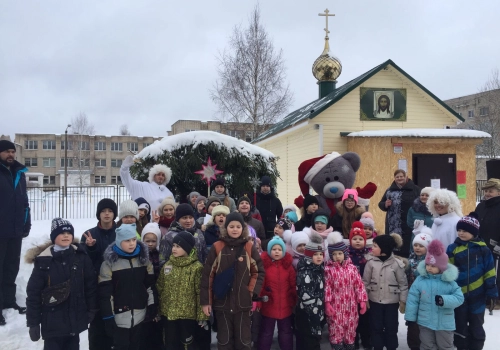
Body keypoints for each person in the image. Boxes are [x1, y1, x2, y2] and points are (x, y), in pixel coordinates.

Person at [26, 218, 97, 350]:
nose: (66, 236)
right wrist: (33, 323)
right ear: (53, 237)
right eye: (61, 233)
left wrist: (91, 309)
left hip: (74, 323)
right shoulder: (44, 261)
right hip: (52, 326)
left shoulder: (81, 257)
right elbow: (33, 294)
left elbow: (90, 285)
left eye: (69, 233)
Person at [200, 212, 265, 350]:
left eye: (238, 226)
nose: (235, 229)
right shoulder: (217, 247)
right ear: (225, 228)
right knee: (224, 341)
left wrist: (251, 290)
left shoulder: (248, 247)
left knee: (243, 341)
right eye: (231, 226)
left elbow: (258, 271)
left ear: (243, 228)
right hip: (222, 303)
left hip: (243, 304)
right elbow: (208, 275)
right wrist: (206, 301)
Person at [99, 224, 157, 350]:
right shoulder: (109, 264)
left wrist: (152, 305)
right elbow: (105, 294)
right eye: (127, 240)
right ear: (119, 242)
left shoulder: (144, 261)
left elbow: (150, 286)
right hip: (119, 318)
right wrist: (108, 316)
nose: (132, 243)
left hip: (140, 315)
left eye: (134, 239)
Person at [447, 212, 498, 350]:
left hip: (478, 295)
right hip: (459, 294)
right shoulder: (453, 248)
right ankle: (461, 346)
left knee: (476, 324)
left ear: (474, 232)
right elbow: (448, 270)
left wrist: (492, 289)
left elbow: (489, 271)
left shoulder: (483, 249)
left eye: (465, 231)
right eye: (459, 230)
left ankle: (476, 346)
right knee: (460, 324)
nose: (461, 233)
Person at [405, 239, 464, 350]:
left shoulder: (450, 282)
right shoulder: (420, 280)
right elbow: (413, 300)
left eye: (433, 266)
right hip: (425, 322)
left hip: (444, 323)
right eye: (427, 265)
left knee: (445, 346)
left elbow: (459, 297)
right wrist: (410, 317)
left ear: (441, 267)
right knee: (427, 345)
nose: (429, 268)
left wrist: (444, 300)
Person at [157, 231, 208, 350]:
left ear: (187, 248)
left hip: (187, 315)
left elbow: (200, 292)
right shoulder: (167, 265)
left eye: (178, 246)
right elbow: (160, 287)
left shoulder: (196, 268)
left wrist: (202, 316)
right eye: (173, 246)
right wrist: (157, 310)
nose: (174, 249)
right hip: (169, 314)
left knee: (187, 344)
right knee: (170, 343)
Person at [81, 198, 118, 350]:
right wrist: (90, 248)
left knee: (115, 323)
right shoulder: (89, 234)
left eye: (110, 211)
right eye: (103, 211)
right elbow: (85, 262)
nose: (107, 214)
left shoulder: (121, 232)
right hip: (97, 286)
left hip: (117, 284)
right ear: (98, 214)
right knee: (97, 325)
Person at [0, 139, 30, 324]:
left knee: (11, 268)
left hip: (15, 231)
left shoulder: (19, 173)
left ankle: (9, 302)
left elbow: (24, 202)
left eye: (12, 151)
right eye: (6, 152)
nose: (10, 154)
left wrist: (26, 224)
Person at [363, 233, 408, 350]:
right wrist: (365, 299)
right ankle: (377, 346)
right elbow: (365, 283)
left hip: (391, 303)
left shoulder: (396, 264)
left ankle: (391, 346)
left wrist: (403, 301)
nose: (372, 248)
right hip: (375, 301)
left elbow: (403, 284)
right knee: (375, 326)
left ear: (384, 248)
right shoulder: (370, 263)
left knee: (391, 327)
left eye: (375, 246)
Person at [325, 231, 368, 350]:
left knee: (350, 329)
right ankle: (337, 346)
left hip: (351, 308)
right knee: (335, 329)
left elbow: (359, 285)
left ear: (345, 254)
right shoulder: (328, 270)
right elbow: (327, 287)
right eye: (334, 254)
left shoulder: (352, 268)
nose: (337, 256)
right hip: (336, 308)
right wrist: (327, 303)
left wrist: (362, 300)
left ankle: (349, 345)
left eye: (340, 253)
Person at [258, 236, 296, 350]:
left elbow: (293, 284)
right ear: (269, 251)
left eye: (279, 249)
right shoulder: (265, 266)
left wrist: (294, 299)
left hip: (285, 305)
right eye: (274, 249)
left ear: (283, 251)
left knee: (286, 332)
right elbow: (260, 286)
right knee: (266, 332)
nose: (277, 252)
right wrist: (259, 301)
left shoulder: (288, 267)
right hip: (269, 304)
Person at [378, 169, 421, 258]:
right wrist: (385, 204)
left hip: (409, 223)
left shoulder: (415, 189)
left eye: (401, 176)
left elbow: (421, 202)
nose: (399, 178)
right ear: (394, 178)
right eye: (397, 177)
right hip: (393, 225)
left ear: (406, 177)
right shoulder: (389, 190)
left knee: (407, 245)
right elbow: (381, 204)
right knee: (394, 245)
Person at [405, 221, 433, 350]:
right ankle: (414, 345)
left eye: (421, 246)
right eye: (415, 245)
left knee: (424, 323)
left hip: (427, 298)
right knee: (412, 322)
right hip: (412, 297)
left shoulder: (431, 264)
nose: (417, 248)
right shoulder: (410, 262)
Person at [295, 232, 325, 350]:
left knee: (313, 339)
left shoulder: (318, 268)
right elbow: (305, 295)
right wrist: (315, 314)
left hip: (317, 312)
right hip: (307, 314)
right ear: (308, 256)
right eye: (315, 254)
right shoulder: (306, 271)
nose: (319, 257)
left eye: (321, 254)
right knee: (309, 341)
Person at [475, 178, 500, 301]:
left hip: (495, 247)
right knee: (481, 271)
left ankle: (495, 298)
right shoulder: (481, 206)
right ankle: (483, 296)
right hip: (480, 245)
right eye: (486, 191)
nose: (487, 194)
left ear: (498, 193)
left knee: (495, 273)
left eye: (491, 191)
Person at [347, 222, 371, 350]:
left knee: (365, 317)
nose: (357, 241)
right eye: (354, 239)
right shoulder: (347, 256)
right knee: (353, 318)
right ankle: (354, 339)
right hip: (350, 292)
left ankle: (366, 339)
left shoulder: (368, 255)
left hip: (365, 291)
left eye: (360, 239)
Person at [140, 223, 164, 350]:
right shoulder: (139, 255)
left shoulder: (161, 255)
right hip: (144, 293)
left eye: (153, 241)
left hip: (158, 293)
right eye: (147, 240)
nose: (150, 244)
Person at [256, 176, 283, 241]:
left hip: (271, 231)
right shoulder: (256, 199)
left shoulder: (276, 201)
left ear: (270, 187)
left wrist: (278, 227)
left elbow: (280, 216)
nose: (265, 188)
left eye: (267, 186)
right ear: (260, 187)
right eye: (263, 186)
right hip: (258, 230)